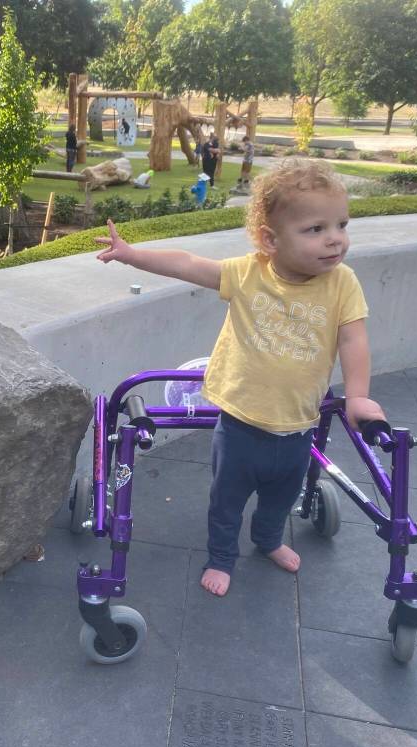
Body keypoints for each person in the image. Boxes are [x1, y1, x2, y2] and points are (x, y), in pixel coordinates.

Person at [94, 158, 385, 597]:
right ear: (270, 239)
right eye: (315, 229)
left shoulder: (342, 283)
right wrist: (133, 255)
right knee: (227, 500)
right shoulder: (248, 274)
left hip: (297, 425)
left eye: (341, 225)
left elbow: (353, 341)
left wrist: (358, 397)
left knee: (280, 499)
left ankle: (268, 540)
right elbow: (189, 264)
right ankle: (221, 556)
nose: (335, 240)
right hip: (240, 424)